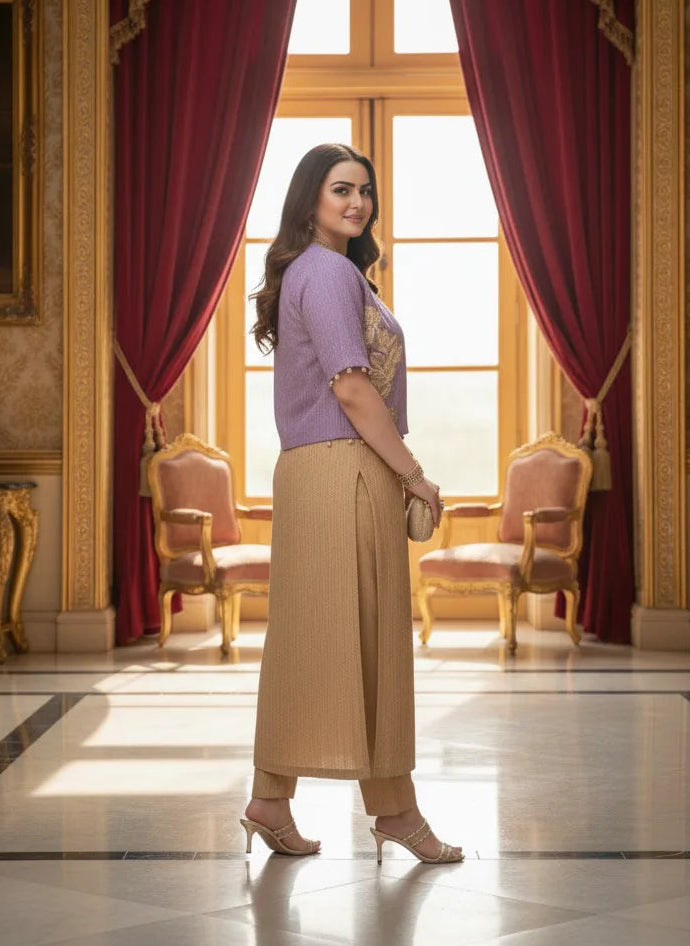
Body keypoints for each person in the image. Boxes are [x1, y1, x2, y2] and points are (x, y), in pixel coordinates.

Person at [240, 143, 463, 864]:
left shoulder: (314, 272)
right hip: (346, 472)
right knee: (371, 641)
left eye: (365, 190)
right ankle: (396, 812)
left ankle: (270, 800)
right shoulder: (330, 272)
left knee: (307, 638)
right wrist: (414, 474)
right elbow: (351, 385)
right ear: (310, 199)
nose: (357, 202)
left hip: (310, 473)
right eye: (341, 189)